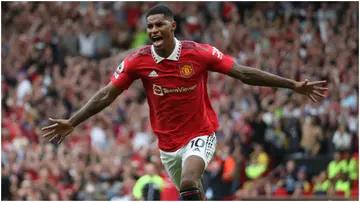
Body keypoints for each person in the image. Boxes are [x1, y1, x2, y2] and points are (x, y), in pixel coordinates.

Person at [42, 5, 328, 201]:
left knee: (190, 182)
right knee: (191, 192)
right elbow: (107, 94)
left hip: (201, 133)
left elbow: (244, 74)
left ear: (173, 26)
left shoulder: (198, 53)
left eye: (159, 25)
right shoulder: (136, 61)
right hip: (167, 145)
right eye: (149, 26)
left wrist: (292, 85)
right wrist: (73, 121)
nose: (153, 30)